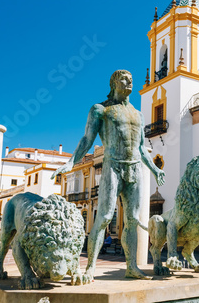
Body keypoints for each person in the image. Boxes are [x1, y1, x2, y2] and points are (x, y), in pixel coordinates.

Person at [52, 70, 165, 280]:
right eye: (124, 78)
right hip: (112, 166)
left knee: (132, 220)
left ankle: (131, 266)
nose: (129, 81)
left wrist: (155, 169)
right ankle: (91, 268)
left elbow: (141, 148)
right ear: (113, 83)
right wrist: (70, 163)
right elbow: (87, 139)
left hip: (134, 168)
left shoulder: (138, 114)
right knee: (104, 217)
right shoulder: (100, 109)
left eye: (131, 79)